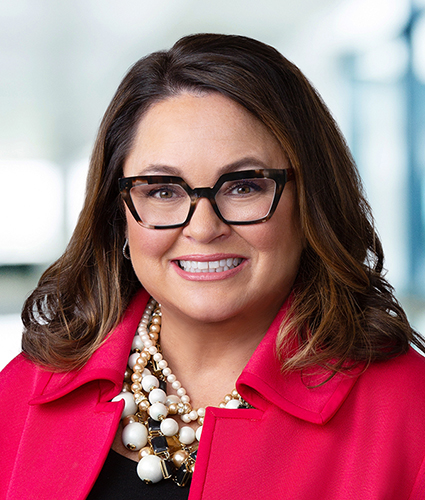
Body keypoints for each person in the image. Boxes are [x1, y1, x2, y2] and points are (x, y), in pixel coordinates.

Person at [1, 33, 425, 500]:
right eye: (162, 190)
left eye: (243, 186)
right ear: (117, 213)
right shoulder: (20, 393)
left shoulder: (410, 415)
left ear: (311, 201)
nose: (203, 228)